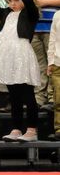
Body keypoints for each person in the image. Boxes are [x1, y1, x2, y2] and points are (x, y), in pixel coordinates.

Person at [0, 0, 41, 143]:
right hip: (6, 55)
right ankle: (16, 128)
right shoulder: (5, 13)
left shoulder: (30, 12)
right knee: (14, 95)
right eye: (9, 0)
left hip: (21, 55)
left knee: (27, 94)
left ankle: (31, 130)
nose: (13, 3)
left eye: (16, 0)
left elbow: (28, 0)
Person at [27, 0, 60, 110]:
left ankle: (53, 98)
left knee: (53, 64)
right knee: (38, 65)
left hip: (53, 29)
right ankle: (39, 99)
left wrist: (45, 2)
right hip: (35, 27)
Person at [47, 10, 60, 141]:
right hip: (58, 63)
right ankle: (59, 129)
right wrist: (50, 61)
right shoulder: (57, 15)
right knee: (58, 99)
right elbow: (53, 39)